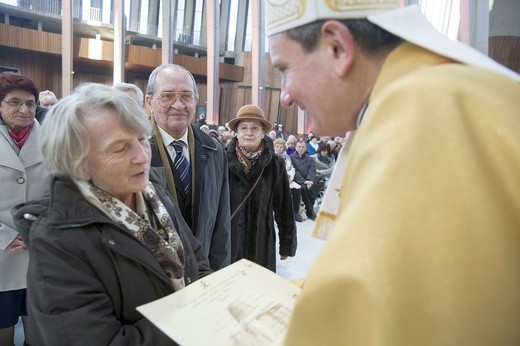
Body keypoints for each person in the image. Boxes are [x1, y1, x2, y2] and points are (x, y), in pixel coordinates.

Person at [266, 1, 520, 344]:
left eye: (284, 69)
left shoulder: (422, 111)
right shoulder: (436, 90)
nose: (284, 97)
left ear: (337, 47)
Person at [12, 83, 211, 345]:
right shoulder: (57, 240)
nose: (141, 156)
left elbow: (196, 262)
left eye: (141, 139)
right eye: (120, 148)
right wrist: (198, 319)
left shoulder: (152, 194)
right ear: (78, 163)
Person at [146, 64, 231, 271]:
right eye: (167, 96)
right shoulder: (136, 152)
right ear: (149, 102)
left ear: (195, 101)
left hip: (202, 274)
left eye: (186, 96)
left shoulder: (214, 150)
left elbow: (221, 225)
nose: (178, 104)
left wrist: (218, 276)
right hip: (155, 275)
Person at [0, 72, 50, 346]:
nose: (24, 109)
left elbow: (61, 195)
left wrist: (37, 232)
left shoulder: (52, 141)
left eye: (30, 103)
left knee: (39, 333)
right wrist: (6, 236)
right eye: (14, 102)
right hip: (1, 256)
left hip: (39, 253)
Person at [226, 105, 297, 272]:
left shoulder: (275, 164)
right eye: (243, 127)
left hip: (262, 242)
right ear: (236, 131)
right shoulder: (222, 160)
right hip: (229, 241)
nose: (249, 132)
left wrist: (286, 244)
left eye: (255, 128)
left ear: (263, 132)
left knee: (259, 291)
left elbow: (284, 206)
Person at [273, 138, 303, 222]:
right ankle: (281, 214)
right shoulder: (272, 157)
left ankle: (295, 212)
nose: (278, 148)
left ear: (284, 148)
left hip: (288, 179)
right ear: (274, 147)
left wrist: (289, 177)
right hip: (276, 181)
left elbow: (291, 169)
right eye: (277, 146)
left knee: (297, 190)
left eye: (281, 147)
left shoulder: (287, 158)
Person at [290, 140, 318, 221]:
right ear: (296, 147)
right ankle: (310, 210)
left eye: (303, 147)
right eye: (299, 147)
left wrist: (309, 180)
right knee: (303, 188)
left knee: (314, 187)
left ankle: (309, 211)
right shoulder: (291, 158)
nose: (301, 148)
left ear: (305, 148)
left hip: (309, 180)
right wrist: (305, 181)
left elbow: (312, 170)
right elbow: (294, 171)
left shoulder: (310, 159)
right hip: (297, 180)